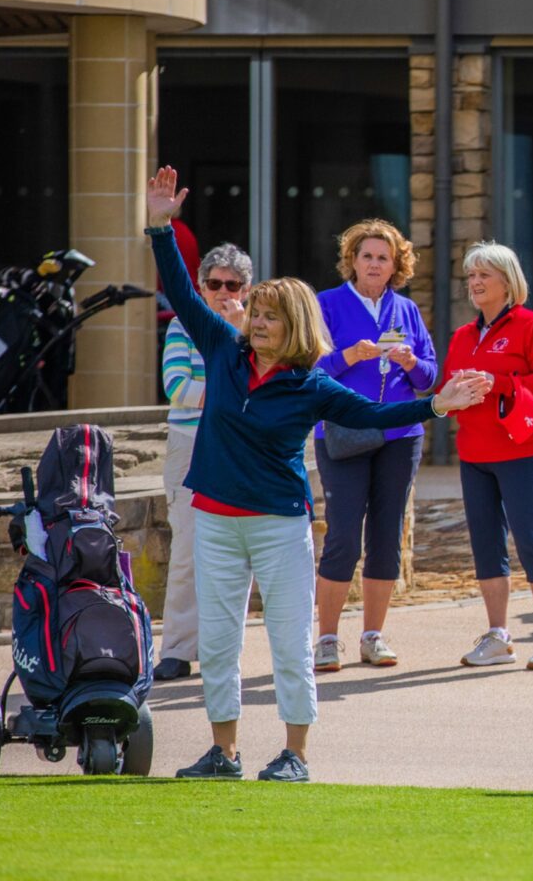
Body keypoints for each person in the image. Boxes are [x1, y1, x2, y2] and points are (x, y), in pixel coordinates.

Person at [145, 166, 483, 784]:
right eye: (257, 314)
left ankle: (295, 754)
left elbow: (379, 413)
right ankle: (224, 753)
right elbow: (181, 292)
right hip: (215, 518)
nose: (258, 322)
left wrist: (439, 404)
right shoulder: (223, 349)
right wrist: (161, 226)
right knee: (219, 643)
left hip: (277, 525)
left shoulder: (311, 384)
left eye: (271, 315)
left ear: (295, 324)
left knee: (291, 642)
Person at [311, 219, 437, 673]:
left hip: (400, 436)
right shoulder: (326, 305)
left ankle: (373, 636)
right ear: (353, 260)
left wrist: (412, 361)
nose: (375, 264)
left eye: (384, 257)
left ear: (395, 265)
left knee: (385, 536)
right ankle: (326, 638)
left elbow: (430, 378)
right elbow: (309, 370)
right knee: (343, 535)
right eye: (367, 255)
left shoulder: (406, 310)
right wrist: (351, 356)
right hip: (343, 433)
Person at [442, 243, 533, 671]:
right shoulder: (462, 336)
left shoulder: (532, 326)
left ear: (507, 281)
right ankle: (498, 636)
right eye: (471, 276)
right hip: (475, 452)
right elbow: (448, 391)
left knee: (532, 540)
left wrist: (498, 381)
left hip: (524, 449)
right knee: (485, 544)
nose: (475, 283)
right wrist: (451, 397)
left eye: (484, 275)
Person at [155, 242, 253, 682]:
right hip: (190, 445)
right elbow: (176, 386)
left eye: (232, 284)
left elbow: (264, 387)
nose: (222, 292)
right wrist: (230, 397)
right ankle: (176, 648)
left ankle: (222, 650)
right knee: (188, 551)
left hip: (238, 450)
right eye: (214, 283)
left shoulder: (258, 333)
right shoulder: (182, 325)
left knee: (238, 553)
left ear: (247, 289)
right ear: (200, 285)